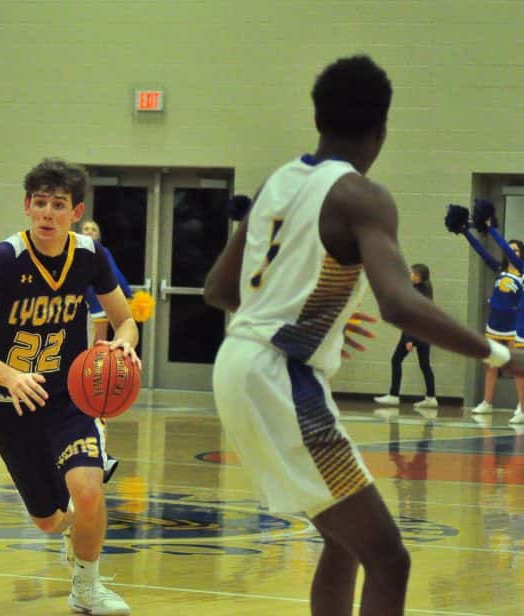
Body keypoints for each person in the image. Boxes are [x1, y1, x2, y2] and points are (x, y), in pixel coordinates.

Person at [204, 55, 524, 616]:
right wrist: (500, 354)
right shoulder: (362, 196)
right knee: (388, 557)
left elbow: (219, 288)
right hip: (279, 378)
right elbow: (400, 304)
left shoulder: (277, 181)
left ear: (316, 118)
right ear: (382, 130)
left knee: (344, 541)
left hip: (236, 365)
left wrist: (303, 317)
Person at [0, 159, 139, 616]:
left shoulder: (90, 255)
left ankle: (87, 589)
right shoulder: (3, 260)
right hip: (10, 404)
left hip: (70, 399)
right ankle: (74, 528)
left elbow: (125, 320)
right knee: (49, 521)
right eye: (40, 203)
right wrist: (10, 376)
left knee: (89, 491)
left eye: (58, 205)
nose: (47, 214)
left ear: (76, 212)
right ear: (27, 206)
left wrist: (124, 345)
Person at [445, 200, 524, 421]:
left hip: (513, 325)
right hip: (494, 323)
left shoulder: (522, 272)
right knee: (491, 363)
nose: (511, 253)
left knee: (516, 367)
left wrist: (491, 228)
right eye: (510, 250)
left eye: (516, 250)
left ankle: (522, 407)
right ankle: (487, 402)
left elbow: (505, 248)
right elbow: (481, 251)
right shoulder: (499, 268)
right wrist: (465, 232)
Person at [374, 264, 437, 408]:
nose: (409, 275)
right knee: (425, 365)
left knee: (396, 360)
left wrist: (409, 339)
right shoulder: (427, 288)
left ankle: (394, 395)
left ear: (418, 277)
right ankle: (431, 397)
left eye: (411, 273)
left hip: (413, 333)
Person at [79, 220, 134, 343]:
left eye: (93, 229)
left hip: (97, 304)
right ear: (80, 233)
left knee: (97, 345)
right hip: (76, 304)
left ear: (98, 236)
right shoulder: (72, 251)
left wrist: (128, 294)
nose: (90, 231)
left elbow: (115, 274)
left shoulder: (103, 252)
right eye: (86, 229)